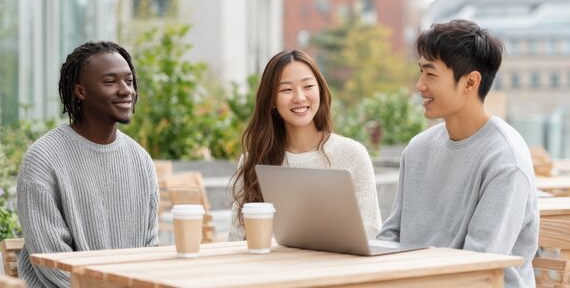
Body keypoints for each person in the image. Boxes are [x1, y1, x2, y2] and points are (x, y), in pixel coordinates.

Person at [377, 20, 538, 287]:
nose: (419, 85)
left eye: (430, 74)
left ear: (470, 82)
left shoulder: (505, 160)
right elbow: (392, 236)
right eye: (421, 72)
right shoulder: (418, 149)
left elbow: (478, 266)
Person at [17, 41, 159, 288]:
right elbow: (51, 262)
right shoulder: (43, 159)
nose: (126, 90)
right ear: (80, 91)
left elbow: (150, 249)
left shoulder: (140, 159)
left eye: (129, 81)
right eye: (110, 81)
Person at [228, 50, 381, 241]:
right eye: (286, 90)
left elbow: (370, 231)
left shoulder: (352, 154)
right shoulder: (253, 161)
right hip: (272, 270)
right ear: (272, 100)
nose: (299, 97)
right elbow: (236, 238)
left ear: (320, 91)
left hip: (337, 268)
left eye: (308, 86)